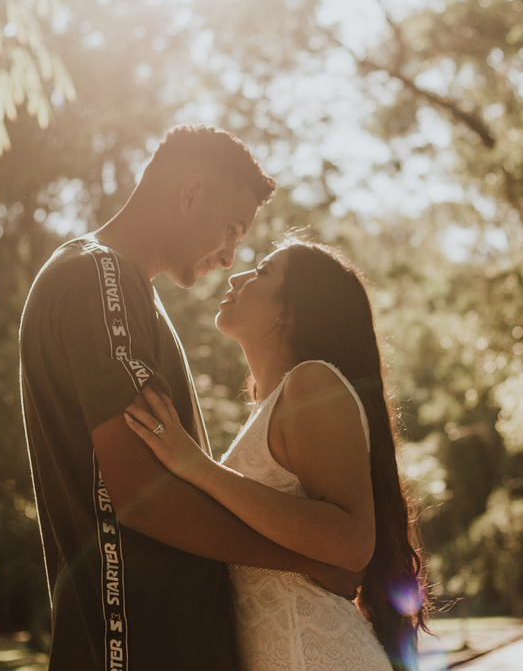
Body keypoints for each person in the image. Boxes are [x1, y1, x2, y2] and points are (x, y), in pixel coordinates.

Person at [19, 125, 359, 671]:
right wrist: (304, 560)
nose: (229, 257)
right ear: (190, 192)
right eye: (230, 229)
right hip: (131, 648)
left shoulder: (131, 293)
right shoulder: (97, 278)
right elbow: (142, 495)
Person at [126, 237, 428, 671]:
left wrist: (198, 468)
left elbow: (352, 542)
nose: (238, 276)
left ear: (291, 310)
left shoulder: (312, 383)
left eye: (263, 272)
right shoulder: (270, 407)